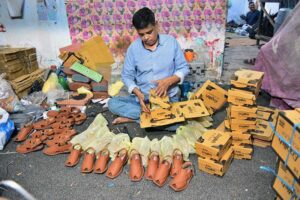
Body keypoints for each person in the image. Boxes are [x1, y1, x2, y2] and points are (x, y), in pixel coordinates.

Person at [108, 7, 189, 126]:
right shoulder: (133, 49)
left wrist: (169, 81)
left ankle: (138, 118)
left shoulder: (171, 42)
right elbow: (126, 76)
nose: (146, 37)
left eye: (149, 32)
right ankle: (156, 118)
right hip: (143, 100)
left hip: (168, 99)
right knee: (112, 103)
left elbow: (184, 68)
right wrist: (138, 93)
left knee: (177, 126)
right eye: (141, 34)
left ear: (156, 25)